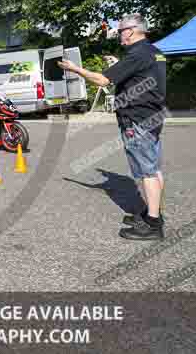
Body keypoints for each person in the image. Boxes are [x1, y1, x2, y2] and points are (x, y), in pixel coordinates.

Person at [59, 14, 167, 240]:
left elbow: (102, 80)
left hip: (137, 119)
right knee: (154, 168)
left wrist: (76, 69)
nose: (119, 35)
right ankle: (152, 213)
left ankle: (154, 225)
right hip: (152, 116)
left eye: (120, 31)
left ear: (132, 31)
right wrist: (118, 66)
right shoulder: (154, 51)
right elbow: (138, 76)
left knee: (147, 172)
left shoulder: (137, 54)